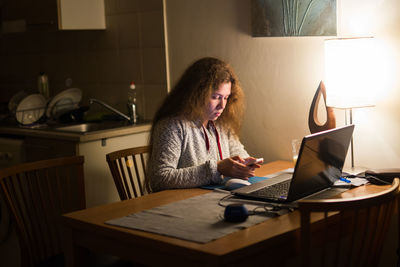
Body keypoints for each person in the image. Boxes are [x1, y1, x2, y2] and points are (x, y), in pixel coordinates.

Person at [146, 57, 262, 192]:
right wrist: (217, 168)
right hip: (181, 204)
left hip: (213, 198)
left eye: (226, 97)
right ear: (195, 94)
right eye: (216, 97)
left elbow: (236, 151)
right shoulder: (172, 125)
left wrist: (244, 164)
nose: (222, 105)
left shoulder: (222, 122)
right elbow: (159, 178)